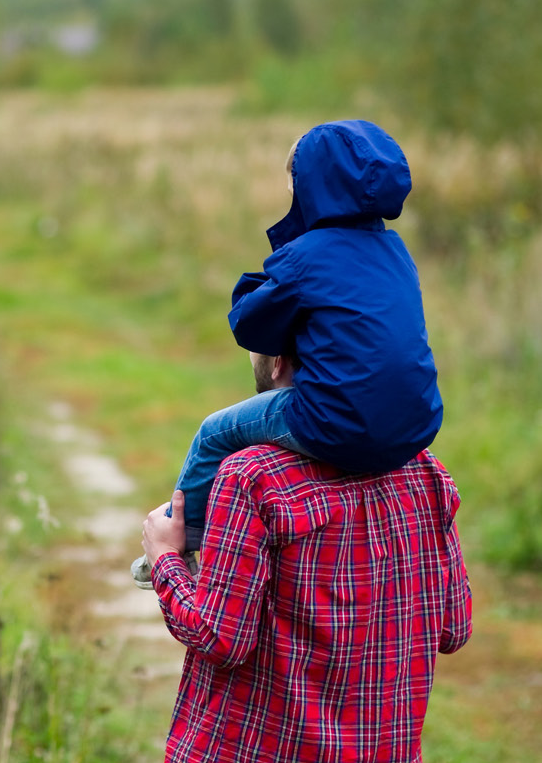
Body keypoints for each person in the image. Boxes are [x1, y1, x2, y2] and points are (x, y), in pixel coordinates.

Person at [133, 119, 442, 587]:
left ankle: (183, 538)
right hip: (415, 426)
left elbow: (250, 325)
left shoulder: (309, 254)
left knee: (215, 432)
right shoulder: (395, 251)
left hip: (333, 420)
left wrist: (262, 284)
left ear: (314, 185)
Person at [141, 350, 471, 763]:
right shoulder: (425, 472)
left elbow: (219, 637)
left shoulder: (252, 475)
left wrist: (165, 557)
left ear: (278, 361)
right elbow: (453, 629)